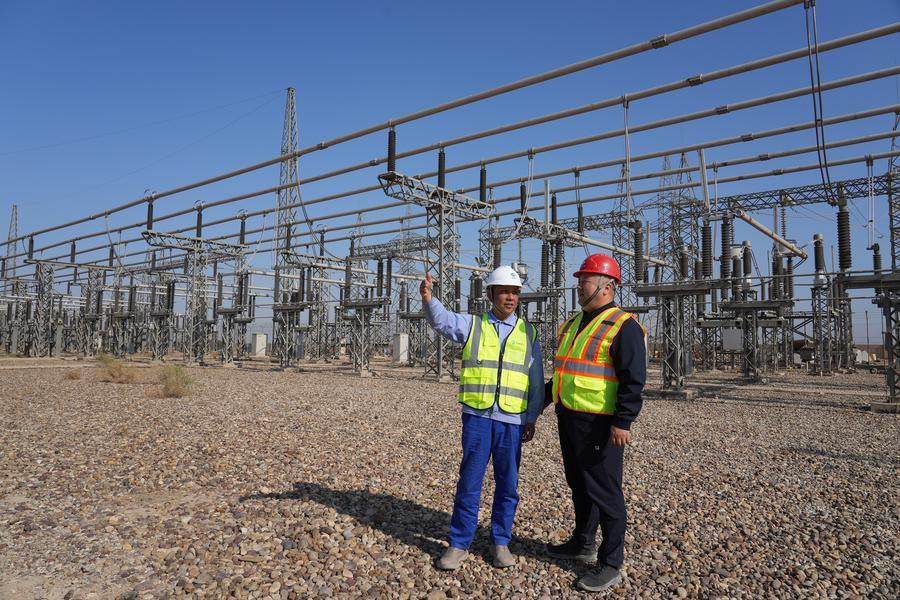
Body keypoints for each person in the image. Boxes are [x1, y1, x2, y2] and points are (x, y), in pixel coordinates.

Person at [420, 265, 544, 571]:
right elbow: (442, 321)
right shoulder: (473, 325)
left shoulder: (529, 333)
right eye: (504, 292)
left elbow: (536, 381)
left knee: (508, 485)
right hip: (478, 417)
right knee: (470, 482)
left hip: (512, 420)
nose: (510, 297)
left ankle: (500, 542)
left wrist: (531, 417)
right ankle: (459, 543)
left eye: (515, 292)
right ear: (490, 295)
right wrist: (428, 299)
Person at [545, 253, 646, 593]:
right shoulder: (574, 323)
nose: (579, 285)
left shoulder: (623, 326)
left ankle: (611, 562)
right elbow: (563, 371)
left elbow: (634, 379)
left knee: (605, 491)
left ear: (607, 286)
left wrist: (623, 421)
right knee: (579, 484)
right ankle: (583, 542)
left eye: (585, 280)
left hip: (600, 424)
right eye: (579, 280)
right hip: (569, 417)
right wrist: (538, 404)